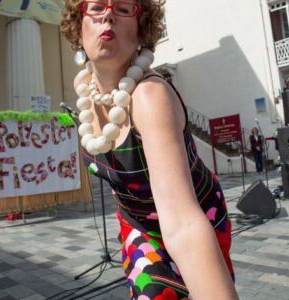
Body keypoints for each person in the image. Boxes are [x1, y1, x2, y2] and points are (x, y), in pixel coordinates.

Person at [61, 1, 239, 299]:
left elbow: (182, 224)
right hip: (136, 221)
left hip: (193, 215)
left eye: (122, 7)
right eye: (95, 6)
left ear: (141, 27)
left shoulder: (149, 96)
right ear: (77, 27)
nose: (107, 14)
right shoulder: (86, 95)